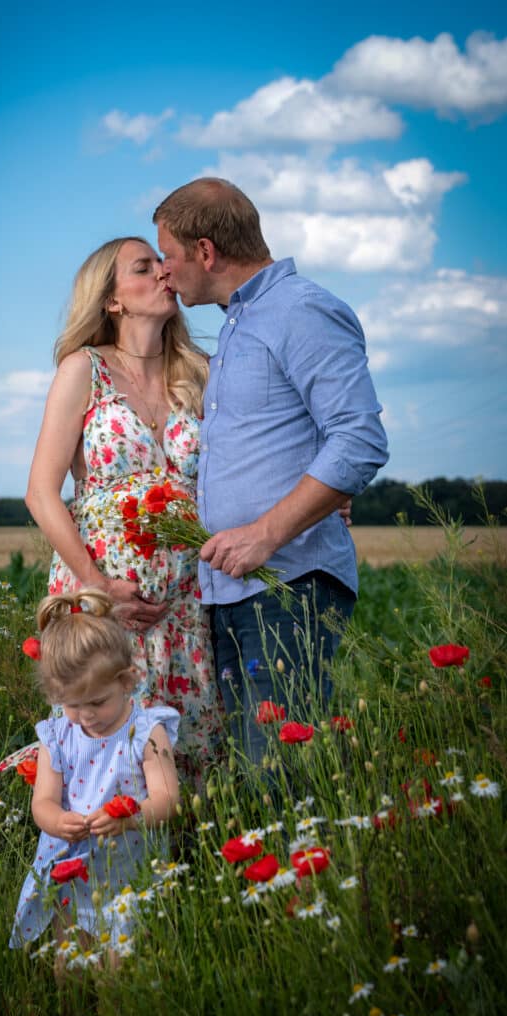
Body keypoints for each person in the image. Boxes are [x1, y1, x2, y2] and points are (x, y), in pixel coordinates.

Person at [153, 178, 389, 765]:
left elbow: (359, 438)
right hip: (232, 590)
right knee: (254, 780)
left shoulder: (300, 309)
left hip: (287, 587)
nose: (164, 270)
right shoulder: (236, 324)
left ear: (206, 252)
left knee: (280, 779)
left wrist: (266, 532)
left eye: (170, 255)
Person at [24, 237, 223, 779]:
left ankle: (191, 861)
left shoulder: (199, 370)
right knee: (103, 754)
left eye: (162, 263)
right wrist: (99, 589)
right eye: (144, 267)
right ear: (112, 300)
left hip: (183, 606)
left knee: (191, 756)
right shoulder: (83, 369)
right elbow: (41, 493)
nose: (164, 272)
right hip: (103, 605)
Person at [10, 588, 180, 958]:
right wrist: (58, 822)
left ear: (126, 680)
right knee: (68, 959)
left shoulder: (149, 731)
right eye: (72, 704)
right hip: (73, 869)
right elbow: (43, 802)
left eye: (98, 702)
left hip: (130, 872)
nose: (86, 715)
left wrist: (130, 818)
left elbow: (168, 800)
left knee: (120, 969)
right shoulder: (58, 735)